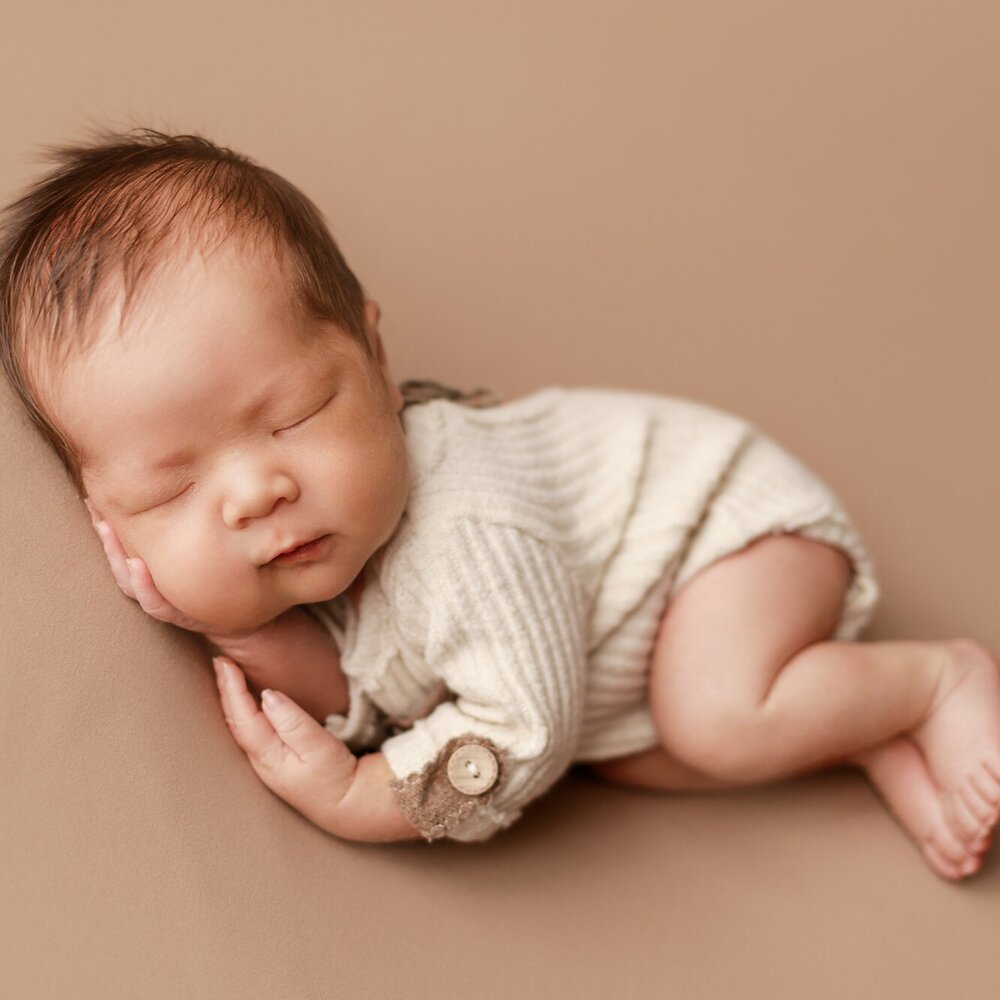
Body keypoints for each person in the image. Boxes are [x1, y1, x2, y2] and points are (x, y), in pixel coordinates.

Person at [1, 127, 997, 880]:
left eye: (296, 414)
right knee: (633, 758)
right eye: (170, 489)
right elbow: (366, 678)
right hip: (624, 635)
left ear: (375, 357)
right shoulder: (318, 537)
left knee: (709, 717)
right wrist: (231, 629)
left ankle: (931, 682)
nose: (258, 490)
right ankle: (857, 732)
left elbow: (522, 734)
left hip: (725, 532)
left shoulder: (470, 532)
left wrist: (361, 793)